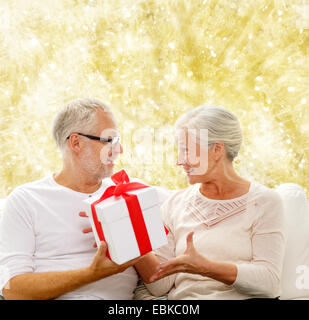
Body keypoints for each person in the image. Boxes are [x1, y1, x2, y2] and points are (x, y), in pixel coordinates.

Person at [0, 98, 163, 300]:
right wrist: (92, 273)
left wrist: (126, 231)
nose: (119, 150)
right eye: (109, 140)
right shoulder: (26, 199)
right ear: (76, 142)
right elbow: (13, 290)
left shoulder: (123, 193)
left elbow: (156, 281)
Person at [146, 105, 286, 299]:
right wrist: (130, 241)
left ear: (217, 150)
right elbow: (158, 286)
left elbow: (269, 282)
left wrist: (206, 268)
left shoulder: (264, 202)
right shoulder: (174, 204)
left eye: (186, 150)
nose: (179, 160)